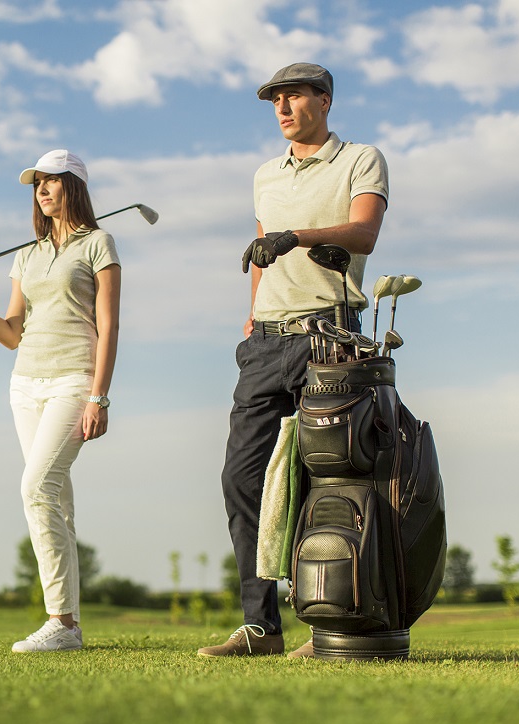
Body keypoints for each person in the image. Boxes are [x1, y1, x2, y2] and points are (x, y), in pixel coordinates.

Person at [198, 63, 389, 658]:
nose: (282, 108)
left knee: (326, 481)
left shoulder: (360, 158)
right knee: (242, 478)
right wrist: (251, 318)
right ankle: (262, 627)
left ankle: (332, 625)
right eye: (275, 100)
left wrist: (297, 236)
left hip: (329, 337)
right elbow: (261, 253)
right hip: (265, 344)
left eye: (293, 96)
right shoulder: (265, 174)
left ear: (324, 101)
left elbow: (364, 234)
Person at [0, 149, 121, 653]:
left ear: (73, 186)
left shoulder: (99, 244)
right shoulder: (27, 253)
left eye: (51, 180)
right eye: (36, 182)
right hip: (25, 384)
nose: (41, 189)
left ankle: (59, 621)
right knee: (55, 499)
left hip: (73, 381)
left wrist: (99, 395)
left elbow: (109, 325)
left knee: (36, 489)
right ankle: (71, 624)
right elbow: (12, 332)